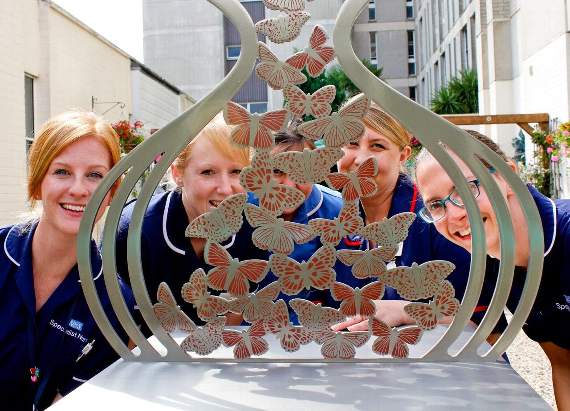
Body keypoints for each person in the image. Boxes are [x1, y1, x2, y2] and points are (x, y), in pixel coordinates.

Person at [413, 130, 569, 409]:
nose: (454, 214)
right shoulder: (498, 265)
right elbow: (564, 363)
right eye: (435, 205)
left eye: (466, 189)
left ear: (507, 177)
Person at [0, 111, 134, 410]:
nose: (78, 189)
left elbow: (71, 402)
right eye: (61, 171)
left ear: (113, 190)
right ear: (37, 182)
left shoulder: (113, 302)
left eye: (95, 175)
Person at [332, 102, 475, 328]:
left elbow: (483, 324)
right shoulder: (336, 221)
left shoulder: (438, 217)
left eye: (377, 146)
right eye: (351, 143)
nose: (360, 159)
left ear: (403, 155)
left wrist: (406, 312)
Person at [116, 115, 259, 323]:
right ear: (177, 174)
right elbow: (125, 328)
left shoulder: (251, 230)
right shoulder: (137, 231)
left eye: (236, 171)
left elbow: (233, 316)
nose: (226, 188)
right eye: (208, 172)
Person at [254, 128, 350, 322]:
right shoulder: (239, 208)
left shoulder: (338, 212)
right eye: (277, 171)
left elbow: (346, 299)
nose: (289, 186)